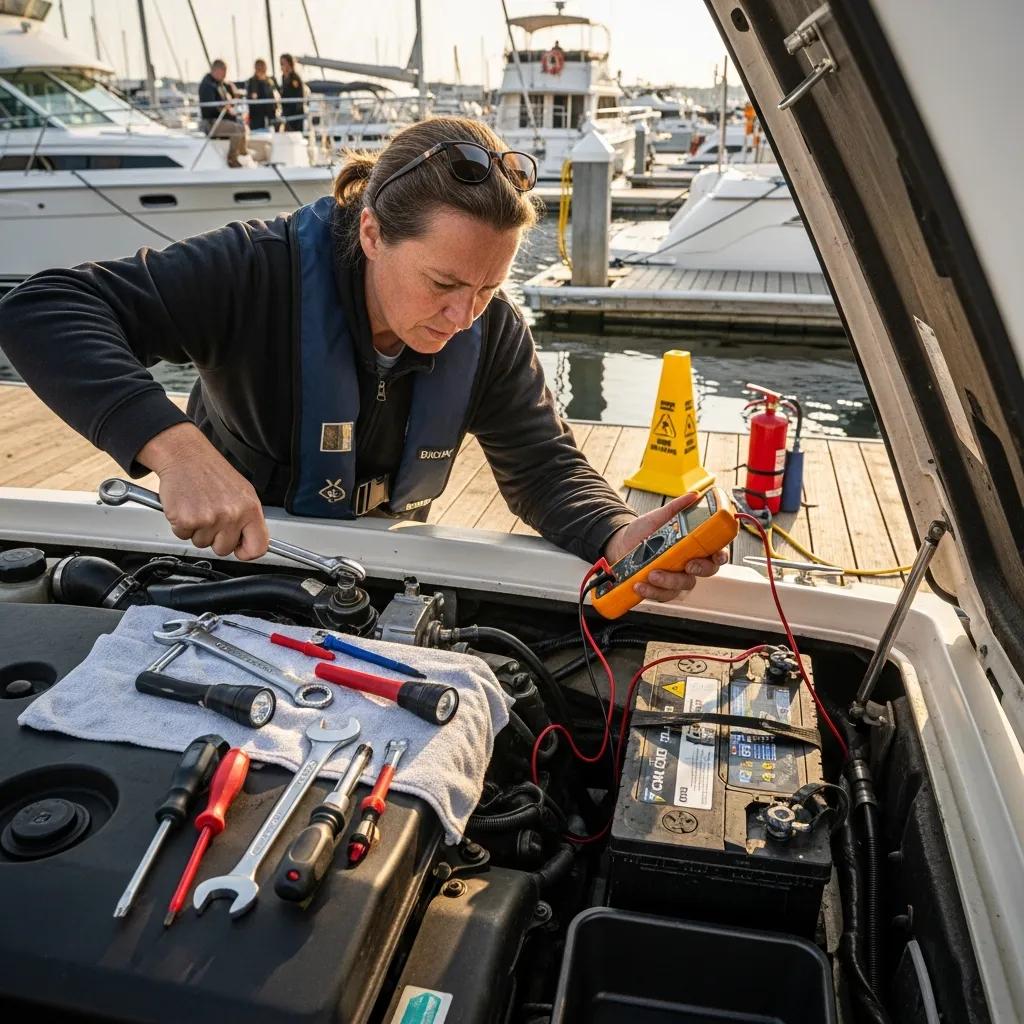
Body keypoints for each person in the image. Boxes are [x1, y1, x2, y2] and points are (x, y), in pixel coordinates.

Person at [0, 117, 726, 603]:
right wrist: (175, 450)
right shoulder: (255, 271)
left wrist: (613, 531)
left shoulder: (488, 328)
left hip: (371, 582)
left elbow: (542, 465)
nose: (462, 316)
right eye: (443, 284)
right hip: (223, 572)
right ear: (373, 232)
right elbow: (44, 309)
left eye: (487, 288)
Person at [197, 59, 248, 167]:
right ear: (217, 70)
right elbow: (210, 109)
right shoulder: (207, 86)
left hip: (220, 119)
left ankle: (243, 153)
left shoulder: (218, 84)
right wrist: (224, 108)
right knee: (238, 129)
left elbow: (228, 96)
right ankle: (232, 159)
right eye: (224, 72)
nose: (225, 75)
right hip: (211, 123)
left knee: (242, 126)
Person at [245, 58, 278, 132]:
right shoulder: (252, 82)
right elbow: (252, 98)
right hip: (257, 117)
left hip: (270, 114)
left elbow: (273, 95)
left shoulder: (269, 81)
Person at [278, 53, 305, 132]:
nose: (282, 66)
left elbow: (297, 94)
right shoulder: (283, 77)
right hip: (286, 110)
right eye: (281, 64)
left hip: (295, 111)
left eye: (283, 63)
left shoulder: (294, 78)